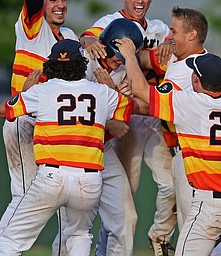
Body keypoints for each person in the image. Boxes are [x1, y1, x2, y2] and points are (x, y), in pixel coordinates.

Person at [0, 39, 138, 256]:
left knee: (10, 242)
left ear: (51, 66)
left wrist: (25, 92)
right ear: (81, 65)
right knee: (79, 235)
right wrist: (112, 89)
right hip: (89, 181)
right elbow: (130, 108)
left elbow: (2, 111)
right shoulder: (101, 93)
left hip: (52, 177)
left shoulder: (42, 91)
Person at [116, 38, 221, 255]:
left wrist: (130, 55)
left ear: (196, 79)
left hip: (210, 201)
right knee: (215, 247)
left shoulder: (189, 103)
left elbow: (140, 89)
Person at [0, 0, 78, 255]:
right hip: (24, 120)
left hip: (52, 129)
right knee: (24, 196)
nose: (60, 4)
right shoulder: (32, 28)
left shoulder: (68, 36)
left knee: (59, 200)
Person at [80, 1, 176, 255]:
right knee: (123, 198)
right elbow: (88, 38)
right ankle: (104, 250)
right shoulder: (109, 23)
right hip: (124, 118)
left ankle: (161, 238)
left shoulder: (158, 27)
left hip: (147, 109)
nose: (139, 1)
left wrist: (171, 44)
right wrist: (88, 42)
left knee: (172, 181)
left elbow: (177, 44)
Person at [140, 6, 221, 255]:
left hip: (189, 156)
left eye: (173, 31)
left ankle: (159, 238)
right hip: (220, 176)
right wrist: (152, 53)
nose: (169, 36)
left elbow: (148, 101)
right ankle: (160, 237)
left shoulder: (191, 73)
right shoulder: (195, 66)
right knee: (203, 230)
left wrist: (128, 57)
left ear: (192, 35)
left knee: (194, 230)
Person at [52, 18, 145, 256]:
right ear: (106, 45)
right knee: (72, 229)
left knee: (126, 218)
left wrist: (113, 96)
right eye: (117, 54)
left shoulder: (123, 69)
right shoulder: (82, 61)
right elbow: (71, 113)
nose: (118, 61)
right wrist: (109, 116)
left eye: (124, 57)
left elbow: (125, 116)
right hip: (73, 153)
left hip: (102, 151)